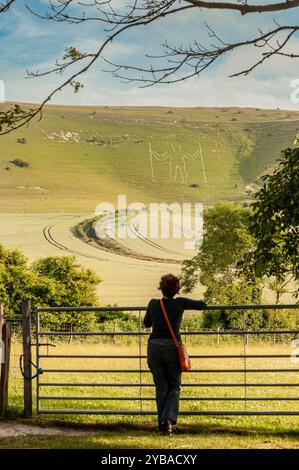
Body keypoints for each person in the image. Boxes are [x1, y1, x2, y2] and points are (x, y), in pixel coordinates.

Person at [143, 273, 207, 435]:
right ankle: (168, 420)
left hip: (154, 347)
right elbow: (202, 305)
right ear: (177, 289)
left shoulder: (153, 303)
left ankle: (162, 425)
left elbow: (146, 324)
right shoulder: (181, 303)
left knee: (161, 387)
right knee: (174, 387)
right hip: (173, 347)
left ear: (161, 287)